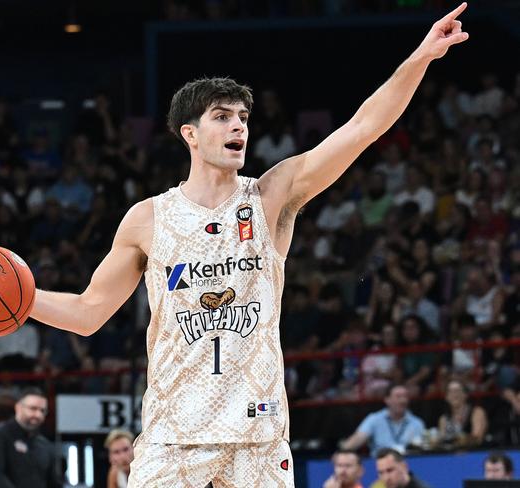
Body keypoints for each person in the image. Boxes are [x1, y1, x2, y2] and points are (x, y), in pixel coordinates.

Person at [29, 5, 468, 485]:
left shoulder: (272, 194)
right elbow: (89, 312)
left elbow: (363, 128)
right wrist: (24, 300)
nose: (239, 125)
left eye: (242, 116)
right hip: (173, 432)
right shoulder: (148, 218)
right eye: (222, 117)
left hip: (257, 433)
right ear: (189, 134)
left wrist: (421, 58)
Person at [0, 387, 60, 488]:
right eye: (33, 408)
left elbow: (53, 483)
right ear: (18, 407)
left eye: (42, 410)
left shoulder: (44, 444)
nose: (38, 415)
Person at [340, 384, 425, 456]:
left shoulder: (417, 423)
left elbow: (422, 449)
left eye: (405, 396)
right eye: (398, 396)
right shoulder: (374, 419)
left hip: (408, 465)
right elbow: (358, 438)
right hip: (379, 465)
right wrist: (341, 453)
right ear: (387, 400)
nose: (403, 400)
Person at [437, 379, 488, 448]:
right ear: (446, 397)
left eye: (457, 391)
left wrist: (457, 440)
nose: (454, 394)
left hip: (472, 454)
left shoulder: (477, 412)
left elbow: (477, 438)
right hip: (449, 456)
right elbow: (442, 441)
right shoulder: (443, 419)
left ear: (465, 395)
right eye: (450, 392)